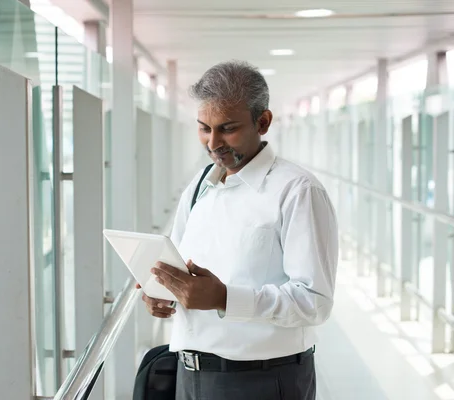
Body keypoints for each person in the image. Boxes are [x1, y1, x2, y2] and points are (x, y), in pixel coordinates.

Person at [137, 61, 338, 399]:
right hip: (190, 375)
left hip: (261, 381)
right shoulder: (200, 185)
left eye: (227, 129)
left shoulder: (298, 191)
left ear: (263, 122)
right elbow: (181, 263)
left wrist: (224, 298)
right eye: (204, 128)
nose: (213, 143)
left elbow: (315, 302)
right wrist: (163, 292)